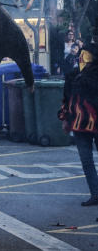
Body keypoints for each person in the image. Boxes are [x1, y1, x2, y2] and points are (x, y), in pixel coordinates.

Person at [59, 43, 98, 206]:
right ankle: (95, 194)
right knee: (86, 160)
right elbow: (67, 98)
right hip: (79, 123)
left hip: (94, 123)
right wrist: (65, 119)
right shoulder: (73, 75)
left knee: (87, 159)